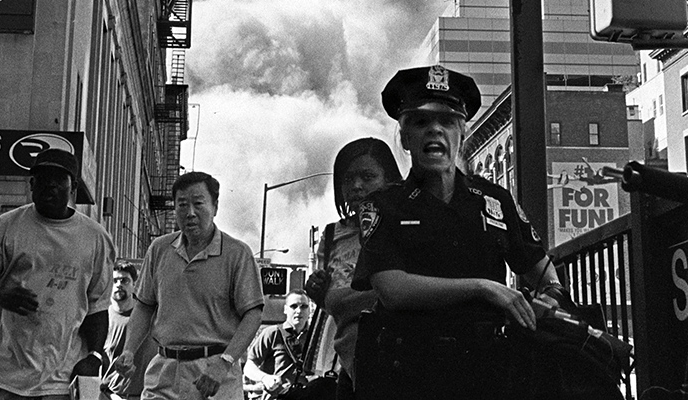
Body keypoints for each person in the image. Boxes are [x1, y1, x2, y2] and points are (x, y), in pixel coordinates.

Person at [350, 66, 567, 400]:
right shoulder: (382, 207)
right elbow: (393, 289)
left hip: (487, 375)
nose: (435, 130)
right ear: (406, 138)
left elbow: (544, 274)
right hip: (408, 378)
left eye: (447, 122)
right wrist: (484, 289)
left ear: (461, 135)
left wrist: (548, 299)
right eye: (421, 122)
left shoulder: (494, 201)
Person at [0, 149, 114, 400]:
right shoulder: (0, 231)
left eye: (59, 178)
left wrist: (94, 355)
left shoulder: (95, 239)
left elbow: (97, 306)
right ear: (32, 184)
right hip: (5, 378)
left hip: (60, 381)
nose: (50, 184)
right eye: (43, 177)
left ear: (73, 187)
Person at [117, 172, 264, 400]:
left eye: (198, 203)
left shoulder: (238, 254)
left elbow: (253, 314)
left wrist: (225, 362)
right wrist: (128, 350)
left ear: (215, 207)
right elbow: (144, 306)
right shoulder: (159, 249)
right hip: (165, 371)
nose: (190, 213)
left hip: (214, 375)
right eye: (182, 205)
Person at [302, 140, 401, 400]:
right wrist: (318, 294)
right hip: (349, 373)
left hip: (399, 371)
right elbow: (335, 305)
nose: (356, 186)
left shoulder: (405, 227)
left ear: (388, 179)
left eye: (367, 177)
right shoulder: (332, 235)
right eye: (348, 179)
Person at [243, 295, 312, 399]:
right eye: (293, 306)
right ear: (285, 309)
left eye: (304, 306)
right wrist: (265, 378)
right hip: (277, 396)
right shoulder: (272, 333)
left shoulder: (315, 337)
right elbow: (249, 366)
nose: (299, 311)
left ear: (309, 310)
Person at [101, 263, 151, 400]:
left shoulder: (148, 316)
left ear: (134, 284)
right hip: (110, 394)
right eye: (114, 281)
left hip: (146, 394)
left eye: (124, 280)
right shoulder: (101, 318)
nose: (118, 285)